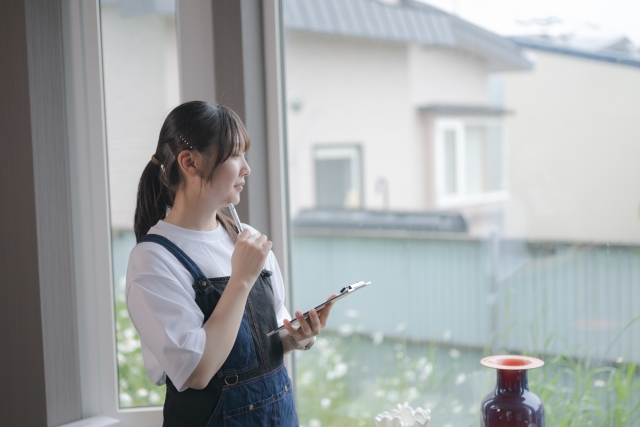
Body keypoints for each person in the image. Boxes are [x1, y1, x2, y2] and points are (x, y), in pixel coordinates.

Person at [126, 101, 334, 426]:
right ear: (190, 162)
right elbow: (197, 371)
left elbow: (264, 339)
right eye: (235, 155)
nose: (246, 168)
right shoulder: (153, 259)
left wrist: (297, 337)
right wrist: (240, 280)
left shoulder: (245, 238)